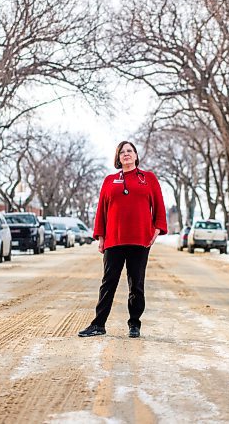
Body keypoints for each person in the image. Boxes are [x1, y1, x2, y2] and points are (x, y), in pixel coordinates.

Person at [78, 140, 167, 339]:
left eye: (130, 151)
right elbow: (101, 210)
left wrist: (157, 230)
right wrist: (100, 236)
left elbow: (159, 208)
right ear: (118, 158)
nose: (126, 154)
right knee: (108, 282)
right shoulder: (110, 180)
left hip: (140, 240)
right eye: (122, 152)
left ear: (136, 155)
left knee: (136, 284)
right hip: (114, 240)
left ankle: (134, 324)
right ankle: (98, 324)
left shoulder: (148, 178)